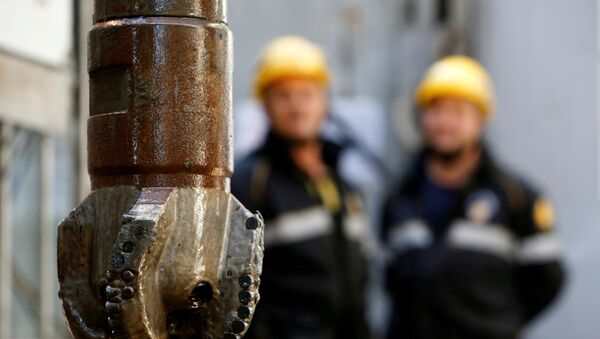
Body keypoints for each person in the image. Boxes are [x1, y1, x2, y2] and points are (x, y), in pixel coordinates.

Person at [382, 55, 565, 339]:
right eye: (436, 110)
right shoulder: (400, 197)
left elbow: (547, 279)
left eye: (457, 112)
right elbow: (391, 280)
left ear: (480, 119)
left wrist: (499, 324)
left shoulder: (514, 196)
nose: (445, 122)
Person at [232, 36, 371, 339]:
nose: (297, 106)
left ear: (325, 103)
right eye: (284, 96)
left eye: (307, 94)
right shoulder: (249, 182)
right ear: (265, 105)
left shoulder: (344, 186)